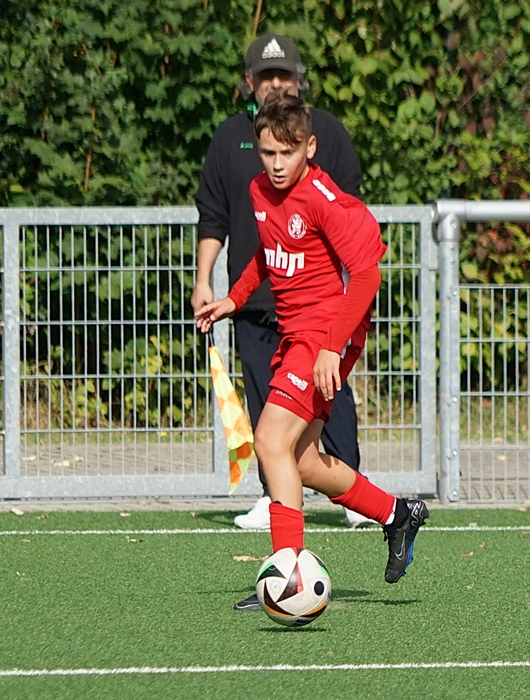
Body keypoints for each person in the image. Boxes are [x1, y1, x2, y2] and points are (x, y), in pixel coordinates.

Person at [195, 89, 430, 602]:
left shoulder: (323, 200)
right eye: (267, 152)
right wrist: (234, 299)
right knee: (300, 461)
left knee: (268, 440)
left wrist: (331, 347)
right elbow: (268, 255)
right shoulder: (259, 191)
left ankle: (287, 574)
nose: (277, 164)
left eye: (288, 152)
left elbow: (366, 276)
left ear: (310, 147)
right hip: (295, 333)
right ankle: (397, 514)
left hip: (325, 335)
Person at [193, 32, 375, 538]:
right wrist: (217, 289)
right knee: (278, 430)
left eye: (284, 74)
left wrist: (336, 337)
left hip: (319, 313)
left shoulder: (327, 138)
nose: (276, 162)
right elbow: (219, 220)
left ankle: (308, 538)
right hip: (259, 305)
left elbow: (353, 238)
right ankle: (386, 511)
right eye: (265, 75)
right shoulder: (233, 142)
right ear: (248, 82)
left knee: (303, 418)